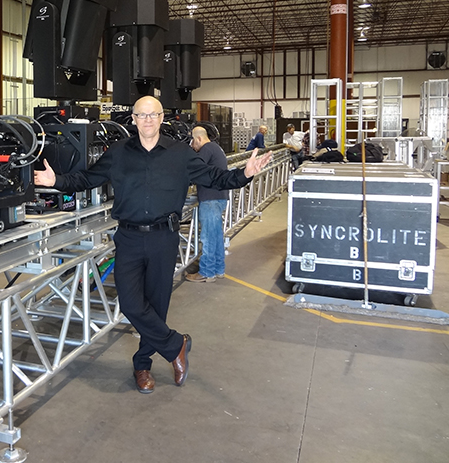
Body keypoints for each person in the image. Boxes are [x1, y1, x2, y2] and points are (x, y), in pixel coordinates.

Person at [33, 96, 272, 394]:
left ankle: (142, 365)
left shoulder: (180, 154)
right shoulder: (118, 153)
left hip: (164, 237)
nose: (147, 120)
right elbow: (87, 178)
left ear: (161, 118)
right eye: (142, 115)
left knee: (156, 306)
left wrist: (245, 174)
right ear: (133, 119)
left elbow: (215, 177)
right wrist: (58, 179)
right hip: (129, 238)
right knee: (132, 304)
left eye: (153, 115)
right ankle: (176, 345)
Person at [185, 126, 228, 283]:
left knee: (208, 237)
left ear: (199, 139)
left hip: (210, 199)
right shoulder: (216, 148)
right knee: (216, 236)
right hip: (219, 197)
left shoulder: (206, 148)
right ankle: (218, 269)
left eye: (193, 143)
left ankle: (206, 272)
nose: (193, 147)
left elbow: (193, 169)